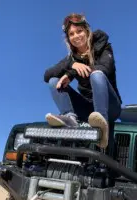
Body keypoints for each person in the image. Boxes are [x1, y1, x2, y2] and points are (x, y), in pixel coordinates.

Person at [43, 13, 122, 149]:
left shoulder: (103, 46)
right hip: (87, 108)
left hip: (110, 106)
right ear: (68, 38)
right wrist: (71, 65)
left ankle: (101, 127)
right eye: (71, 34)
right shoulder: (71, 58)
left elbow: (106, 68)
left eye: (79, 31)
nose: (76, 36)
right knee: (54, 81)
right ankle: (70, 118)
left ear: (86, 31)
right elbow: (46, 75)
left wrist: (72, 73)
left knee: (96, 75)